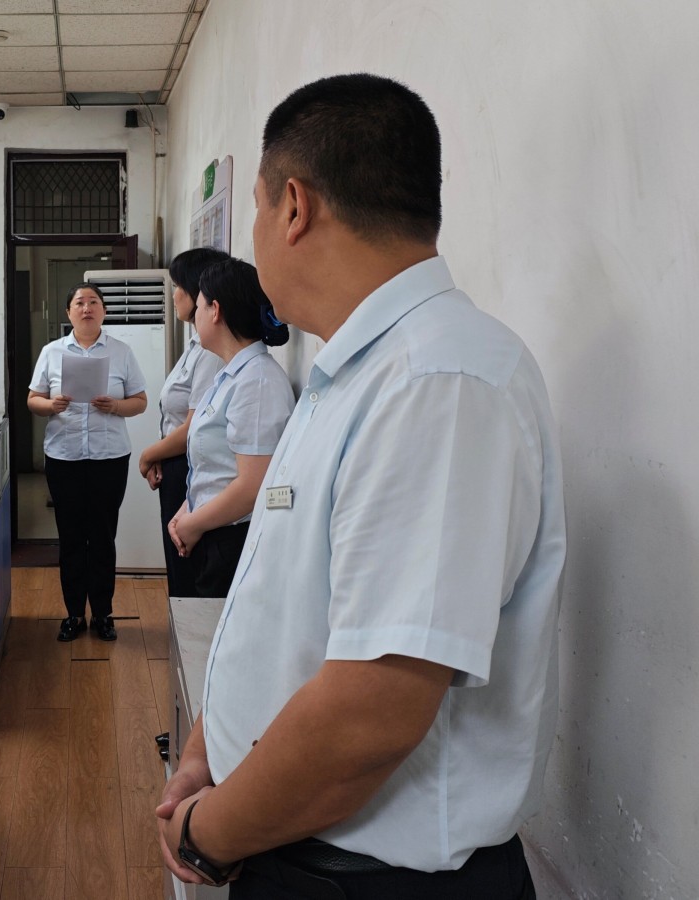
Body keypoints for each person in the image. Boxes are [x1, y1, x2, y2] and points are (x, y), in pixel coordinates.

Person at [157, 74, 566, 900]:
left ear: (293, 208)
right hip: (290, 843)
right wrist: (207, 747)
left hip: (372, 880)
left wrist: (208, 832)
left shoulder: (438, 383)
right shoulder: (353, 374)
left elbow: (369, 715)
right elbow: (284, 611)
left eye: (257, 211)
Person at [28, 282, 148, 642]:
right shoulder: (51, 352)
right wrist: (51, 405)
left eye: (93, 302)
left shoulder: (121, 352)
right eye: (79, 302)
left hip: (109, 458)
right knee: (70, 538)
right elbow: (33, 399)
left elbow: (140, 400)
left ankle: (104, 614)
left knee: (103, 537)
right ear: (68, 312)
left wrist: (117, 406)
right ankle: (74, 614)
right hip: (64, 457)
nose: (86, 308)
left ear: (104, 311)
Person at [167, 258, 293, 598]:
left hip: (234, 539)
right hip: (212, 529)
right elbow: (216, 467)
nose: (195, 315)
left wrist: (192, 524)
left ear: (216, 311)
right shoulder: (231, 375)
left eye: (199, 306)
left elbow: (252, 485)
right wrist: (187, 510)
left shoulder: (257, 381)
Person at [138, 247, 228, 598]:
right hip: (176, 461)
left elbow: (194, 426)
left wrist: (149, 455)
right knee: (178, 564)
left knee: (186, 566)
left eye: (177, 286)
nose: (173, 295)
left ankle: (187, 631)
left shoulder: (210, 352)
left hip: (191, 465)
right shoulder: (195, 343)